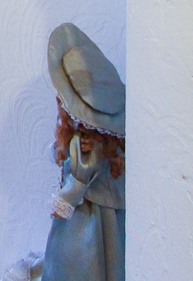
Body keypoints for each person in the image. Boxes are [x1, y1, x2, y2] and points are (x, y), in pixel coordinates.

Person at [39, 23, 126, 281]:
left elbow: (79, 179)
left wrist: (63, 202)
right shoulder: (101, 143)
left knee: (78, 256)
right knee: (110, 250)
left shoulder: (85, 146)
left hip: (84, 213)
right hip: (105, 210)